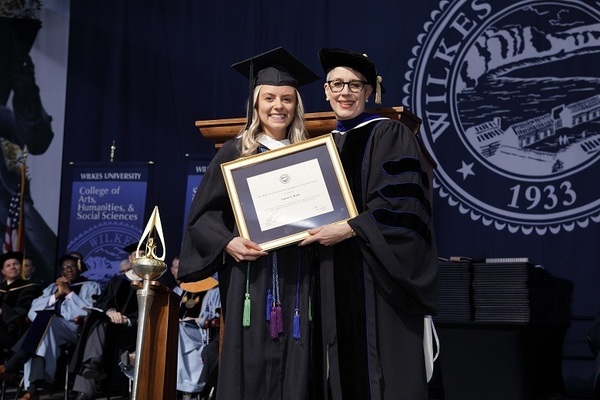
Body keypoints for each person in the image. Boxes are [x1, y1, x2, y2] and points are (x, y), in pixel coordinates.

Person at [178, 47, 321, 400]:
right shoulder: (236, 152)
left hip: (299, 275)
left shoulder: (311, 154)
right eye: (269, 98)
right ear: (255, 104)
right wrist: (228, 242)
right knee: (251, 360)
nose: (278, 106)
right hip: (251, 277)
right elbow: (203, 215)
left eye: (287, 98)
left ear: (296, 105)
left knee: (298, 358)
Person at [298, 48, 438, 400]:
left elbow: (402, 207)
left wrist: (350, 228)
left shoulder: (389, 134)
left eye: (355, 85)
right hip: (328, 276)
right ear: (326, 91)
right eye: (337, 84)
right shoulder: (318, 147)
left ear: (369, 91)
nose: (345, 92)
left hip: (376, 280)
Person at [70, 242, 176, 400]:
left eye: (143, 255)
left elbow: (155, 309)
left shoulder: (156, 284)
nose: (139, 258)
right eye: (136, 255)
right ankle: (89, 377)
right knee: (97, 322)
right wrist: (111, 312)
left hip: (137, 329)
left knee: (100, 332)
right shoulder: (118, 280)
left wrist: (129, 320)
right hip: (111, 326)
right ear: (130, 259)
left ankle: (91, 373)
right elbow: (103, 302)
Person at [0, 254, 102, 400]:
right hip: (49, 328)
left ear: (79, 268)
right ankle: (33, 391)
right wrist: (57, 294)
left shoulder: (91, 286)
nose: (68, 269)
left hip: (73, 330)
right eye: (64, 267)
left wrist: (69, 293)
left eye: (72, 266)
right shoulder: (52, 288)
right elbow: (33, 311)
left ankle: (12, 366)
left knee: (43, 323)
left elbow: (89, 312)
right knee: (40, 336)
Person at [0, 251, 41, 357]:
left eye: (16, 264)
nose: (12, 267)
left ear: (21, 267)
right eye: (8, 265)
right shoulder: (1, 288)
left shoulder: (31, 287)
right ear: (3, 271)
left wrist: (2, 311)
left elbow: (23, 310)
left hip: (17, 328)